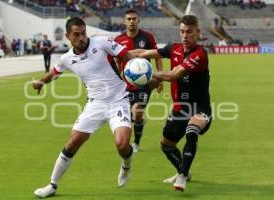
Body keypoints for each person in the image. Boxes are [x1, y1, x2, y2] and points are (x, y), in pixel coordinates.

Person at [33, 17, 134, 198]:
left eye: (83, 33)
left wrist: (139, 72)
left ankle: (126, 164)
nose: (81, 38)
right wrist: (41, 82)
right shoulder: (66, 59)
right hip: (95, 104)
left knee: (122, 144)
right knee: (73, 143)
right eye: (76, 35)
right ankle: (52, 185)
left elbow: (128, 56)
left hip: (118, 100)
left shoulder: (101, 43)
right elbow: (53, 73)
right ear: (68, 36)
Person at [130, 15, 212, 191]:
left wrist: (146, 73)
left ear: (198, 32)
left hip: (199, 107)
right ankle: (182, 170)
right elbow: (144, 53)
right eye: (182, 31)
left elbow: (172, 76)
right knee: (166, 146)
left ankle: (182, 175)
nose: (185, 36)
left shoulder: (200, 54)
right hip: (180, 108)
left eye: (189, 32)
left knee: (192, 130)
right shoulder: (174, 48)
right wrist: (123, 54)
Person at [114, 8, 163, 153]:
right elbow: (116, 60)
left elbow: (157, 57)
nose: (131, 22)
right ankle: (130, 136)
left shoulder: (147, 37)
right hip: (125, 84)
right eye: (129, 19)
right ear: (124, 21)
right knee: (127, 115)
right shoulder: (119, 40)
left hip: (144, 82)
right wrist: (118, 77)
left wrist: (159, 77)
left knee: (137, 112)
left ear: (138, 20)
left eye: (134, 19)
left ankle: (135, 143)